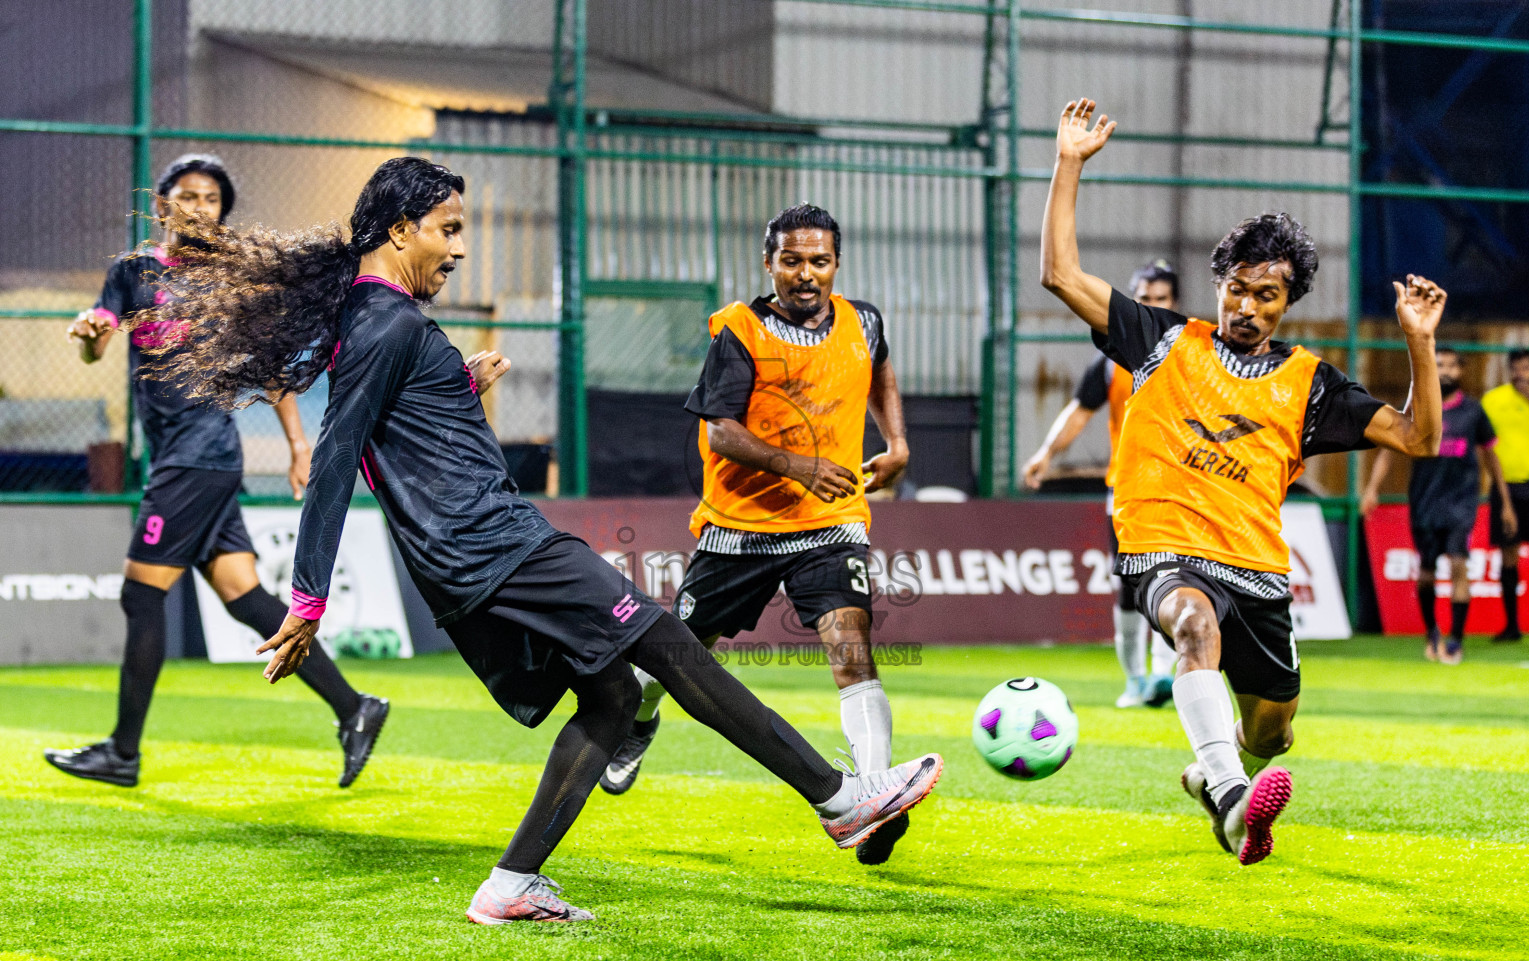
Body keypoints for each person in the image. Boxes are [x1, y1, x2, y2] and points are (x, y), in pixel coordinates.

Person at [146, 157, 941, 922]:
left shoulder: (380, 320)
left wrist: (456, 386)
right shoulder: (385, 322)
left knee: (615, 695)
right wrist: (308, 601)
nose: (458, 250)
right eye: (447, 230)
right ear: (399, 231)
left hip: (471, 559)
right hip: (496, 548)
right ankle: (840, 799)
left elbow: (401, 434)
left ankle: (511, 883)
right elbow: (334, 461)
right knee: (668, 645)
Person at [1040, 99, 1444, 865]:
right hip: (1165, 545)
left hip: (1255, 564)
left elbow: (1420, 436)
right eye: (1238, 288)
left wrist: (1419, 344)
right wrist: (1070, 162)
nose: (1248, 307)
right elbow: (1060, 273)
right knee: (1191, 628)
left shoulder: (1309, 384)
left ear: (1287, 304)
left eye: (1268, 296)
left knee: (1274, 728)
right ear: (1219, 282)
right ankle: (1232, 803)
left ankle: (1216, 775)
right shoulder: (1163, 342)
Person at [43, 154, 387, 790]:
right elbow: (98, 342)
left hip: (198, 461)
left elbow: (273, 372)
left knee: (141, 596)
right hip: (186, 460)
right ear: (164, 201)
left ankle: (123, 752)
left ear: (221, 211)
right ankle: (355, 709)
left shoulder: (233, 283)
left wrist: (297, 445)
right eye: (187, 194)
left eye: (211, 198)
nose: (199, 205)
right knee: (247, 600)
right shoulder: (133, 272)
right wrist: (90, 333)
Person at [598, 203, 917, 865]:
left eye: (819, 261)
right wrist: (802, 466)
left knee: (850, 643)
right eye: (792, 261)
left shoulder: (864, 321)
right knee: (679, 656)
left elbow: (879, 365)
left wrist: (898, 441)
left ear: (837, 263)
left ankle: (877, 796)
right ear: (768, 263)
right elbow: (720, 431)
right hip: (740, 528)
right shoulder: (740, 332)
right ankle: (638, 722)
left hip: (831, 521)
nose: (807, 274)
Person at [1023, 259, 1181, 708]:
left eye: (1160, 300)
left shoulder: (1191, 354)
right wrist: (1046, 454)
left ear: (1174, 304)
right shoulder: (1114, 361)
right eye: (1143, 300)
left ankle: (1167, 676)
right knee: (1131, 586)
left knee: (1177, 579)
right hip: (1127, 489)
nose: (1151, 308)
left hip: (1182, 490)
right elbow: (1079, 409)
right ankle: (1135, 681)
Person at [1361, 350, 1513, 664]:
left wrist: (1505, 501)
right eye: (1438, 365)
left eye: (1450, 366)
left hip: (1461, 502)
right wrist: (1373, 489)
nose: (1444, 371)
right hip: (1424, 502)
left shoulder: (1473, 412)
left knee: (1459, 564)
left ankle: (1456, 640)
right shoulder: (1420, 409)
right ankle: (1432, 632)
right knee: (1427, 573)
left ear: (1461, 371)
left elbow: (1491, 456)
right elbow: (1389, 450)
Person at [1480, 348, 1529, 641]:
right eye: (1516, 368)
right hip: (1506, 488)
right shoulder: (1493, 400)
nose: (1520, 374)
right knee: (1508, 554)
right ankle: (1512, 625)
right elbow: (1486, 446)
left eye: (1526, 368)